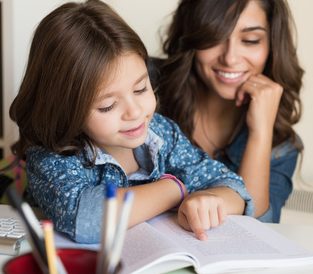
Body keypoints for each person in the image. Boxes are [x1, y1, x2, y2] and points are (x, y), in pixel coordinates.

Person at [9, 0, 253, 244]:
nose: (135, 112)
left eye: (140, 89)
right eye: (108, 105)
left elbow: (235, 188)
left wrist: (210, 199)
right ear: (65, 108)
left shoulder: (160, 133)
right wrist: (175, 190)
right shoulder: (51, 155)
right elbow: (84, 218)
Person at [156, 0, 304, 223]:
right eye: (215, 38)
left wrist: (261, 133)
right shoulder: (143, 89)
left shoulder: (282, 147)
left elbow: (257, 230)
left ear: (272, 45)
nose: (230, 58)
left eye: (250, 40)